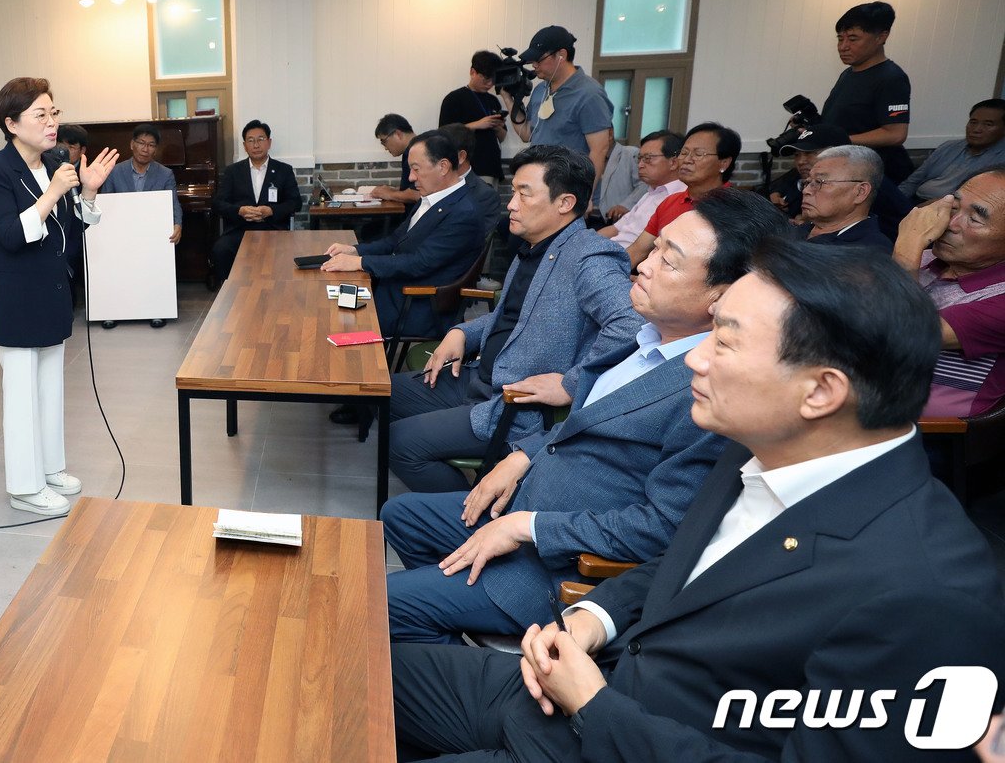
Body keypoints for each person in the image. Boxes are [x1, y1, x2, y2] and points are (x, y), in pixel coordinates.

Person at [392, 240, 1005, 762]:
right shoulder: (760, 446)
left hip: (614, 729)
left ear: (821, 390)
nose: (697, 359)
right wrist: (592, 620)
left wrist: (596, 707)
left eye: (726, 342)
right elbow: (685, 562)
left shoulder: (926, 597)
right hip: (579, 691)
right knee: (350, 672)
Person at [383, 188, 786, 644]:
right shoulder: (644, 339)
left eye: (668, 261)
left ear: (726, 294)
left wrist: (531, 527)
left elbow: (663, 530)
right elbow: (583, 425)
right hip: (534, 500)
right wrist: (521, 458)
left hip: (559, 562)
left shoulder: (708, 392)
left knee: (382, 602)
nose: (643, 265)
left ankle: (466, 662)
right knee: (401, 516)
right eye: (654, 248)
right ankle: (452, 628)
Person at [387, 145, 641, 493]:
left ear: (565, 203)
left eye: (524, 193)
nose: (511, 204)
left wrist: (572, 383)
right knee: (379, 393)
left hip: (512, 405)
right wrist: (462, 333)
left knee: (400, 443)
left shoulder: (590, 255)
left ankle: (472, 512)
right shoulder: (536, 246)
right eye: (513, 192)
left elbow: (633, 324)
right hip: (480, 376)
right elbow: (518, 319)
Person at [0, 77, 118, 515]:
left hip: (50, 293)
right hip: (15, 299)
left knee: (51, 389)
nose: (52, 123)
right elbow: (12, 236)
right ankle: (24, 487)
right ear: (11, 123)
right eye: (40, 115)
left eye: (54, 113)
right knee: (21, 396)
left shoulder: (53, 161)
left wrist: (87, 191)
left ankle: (50, 468)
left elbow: (69, 233)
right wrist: (56, 191)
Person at [321, 130, 483, 340]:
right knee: (327, 301)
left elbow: (420, 262)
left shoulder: (464, 212)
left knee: (332, 322)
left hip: (417, 305)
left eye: (416, 169)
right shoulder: (433, 198)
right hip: (396, 290)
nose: (410, 177)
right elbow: (394, 241)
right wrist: (354, 250)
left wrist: (360, 262)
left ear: (443, 166)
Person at [893, 167, 1005, 418]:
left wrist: (907, 244)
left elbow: (903, 333)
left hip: (933, 436)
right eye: (953, 209)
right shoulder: (924, 259)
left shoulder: (909, 256)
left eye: (974, 219)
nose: (949, 225)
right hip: (864, 409)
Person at [504, 26, 615, 192]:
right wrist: (507, 97)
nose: (534, 65)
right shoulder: (540, 90)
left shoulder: (589, 94)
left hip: (569, 189)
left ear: (561, 55)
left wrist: (587, 196)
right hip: (540, 185)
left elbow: (599, 149)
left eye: (539, 59)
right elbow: (526, 134)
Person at [767, 122, 911, 239]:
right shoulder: (807, 174)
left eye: (810, 153)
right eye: (797, 155)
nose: (801, 161)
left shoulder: (867, 184)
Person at [820, 1, 914, 183]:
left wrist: (841, 140)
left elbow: (896, 134)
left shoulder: (892, 77)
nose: (843, 46)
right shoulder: (848, 74)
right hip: (844, 167)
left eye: (853, 39)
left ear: (881, 37)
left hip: (874, 175)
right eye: (840, 39)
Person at [625, 122, 739, 268]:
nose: (687, 160)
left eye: (698, 154)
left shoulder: (735, 208)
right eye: (684, 153)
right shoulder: (670, 202)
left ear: (724, 163)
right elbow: (637, 251)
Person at [209, 119, 302, 283]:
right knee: (220, 249)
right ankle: (228, 293)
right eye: (251, 141)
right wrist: (240, 211)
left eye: (260, 139)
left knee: (284, 253)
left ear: (269, 142)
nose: (256, 145)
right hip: (240, 228)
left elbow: (295, 202)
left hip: (273, 228)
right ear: (245, 146)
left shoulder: (283, 170)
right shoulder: (233, 171)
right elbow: (218, 203)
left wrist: (271, 211)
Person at [900, 98, 1005, 203]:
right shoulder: (949, 147)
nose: (976, 129)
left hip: (947, 209)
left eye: (988, 124)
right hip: (913, 201)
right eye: (973, 122)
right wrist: (898, 199)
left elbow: (976, 201)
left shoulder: (1001, 160)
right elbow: (913, 181)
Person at [795, 145, 892, 253]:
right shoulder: (795, 231)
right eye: (807, 182)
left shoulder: (869, 251)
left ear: (860, 192)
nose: (806, 191)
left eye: (819, 182)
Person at [598, 130, 685, 247]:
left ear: (673, 162)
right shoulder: (651, 193)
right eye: (639, 158)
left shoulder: (680, 197)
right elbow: (615, 229)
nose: (640, 165)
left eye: (648, 158)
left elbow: (644, 249)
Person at [100, 123, 182, 245]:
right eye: (141, 143)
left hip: (151, 231)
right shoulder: (114, 171)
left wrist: (177, 225)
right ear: (132, 144)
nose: (145, 149)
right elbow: (104, 204)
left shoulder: (166, 174)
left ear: (156, 149)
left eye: (151, 145)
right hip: (122, 231)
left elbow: (174, 204)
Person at [438, 50, 507, 184]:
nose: (490, 84)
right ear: (472, 72)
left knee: (490, 203)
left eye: (494, 80)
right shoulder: (454, 98)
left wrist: (498, 127)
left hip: (492, 166)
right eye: (486, 79)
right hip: (468, 168)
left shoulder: (493, 100)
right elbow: (443, 134)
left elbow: (502, 137)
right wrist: (477, 124)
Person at [438, 123, 504, 234]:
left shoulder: (485, 196)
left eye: (440, 153)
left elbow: (475, 242)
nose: (434, 158)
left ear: (461, 157)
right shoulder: (432, 184)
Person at [372, 113, 421, 204]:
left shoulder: (418, 152)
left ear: (398, 134)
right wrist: (394, 190)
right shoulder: (410, 150)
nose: (385, 148)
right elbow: (411, 187)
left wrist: (388, 194)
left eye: (384, 141)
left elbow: (417, 193)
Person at [593, 141, 643, 225]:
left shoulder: (631, 153)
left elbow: (644, 185)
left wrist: (626, 205)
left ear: (610, 134)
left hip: (616, 219)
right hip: (588, 216)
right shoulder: (586, 156)